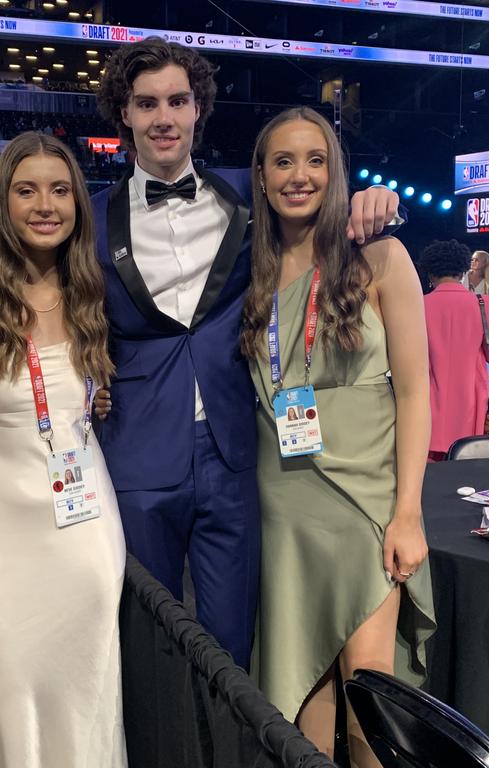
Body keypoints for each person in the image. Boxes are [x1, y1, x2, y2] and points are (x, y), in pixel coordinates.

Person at [91, 36, 400, 668]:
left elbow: (316, 201)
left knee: (233, 645)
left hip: (240, 455)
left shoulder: (249, 196)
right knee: (144, 643)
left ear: (197, 108)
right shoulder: (88, 222)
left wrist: (377, 201)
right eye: (146, 103)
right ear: (124, 113)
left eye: (177, 100)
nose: (163, 118)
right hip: (137, 453)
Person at [241, 106, 435, 766]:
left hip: (366, 504)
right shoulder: (250, 271)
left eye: (316, 160)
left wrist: (407, 512)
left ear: (337, 174)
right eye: (283, 161)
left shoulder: (380, 256)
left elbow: (415, 392)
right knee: (304, 694)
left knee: (369, 695)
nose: (300, 175)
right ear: (260, 178)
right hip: (285, 508)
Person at [0, 132, 126, 766]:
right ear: (3, 202)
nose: (45, 204)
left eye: (59, 190)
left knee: (84, 697)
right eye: (27, 190)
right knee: (2, 698)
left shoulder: (93, 292)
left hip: (82, 535)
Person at [420, 240, 489, 461]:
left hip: (425, 401)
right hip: (472, 402)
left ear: (430, 273)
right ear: (463, 271)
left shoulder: (417, 305)